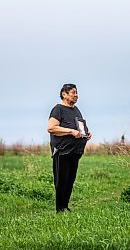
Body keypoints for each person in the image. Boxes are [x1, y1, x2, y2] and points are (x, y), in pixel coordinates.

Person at [47, 83, 92, 212]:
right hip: (62, 151)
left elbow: (79, 126)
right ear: (64, 94)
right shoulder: (58, 109)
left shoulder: (76, 110)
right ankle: (59, 209)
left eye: (77, 92)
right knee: (61, 181)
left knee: (70, 181)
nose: (76, 95)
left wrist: (86, 134)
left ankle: (65, 206)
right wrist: (71, 132)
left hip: (75, 152)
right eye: (73, 92)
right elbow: (51, 128)